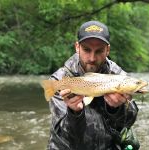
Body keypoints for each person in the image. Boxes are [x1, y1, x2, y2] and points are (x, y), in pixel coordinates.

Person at [47, 21, 140, 150]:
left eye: (99, 51)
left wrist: (116, 109)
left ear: (107, 50)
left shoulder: (118, 76)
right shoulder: (60, 80)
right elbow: (63, 133)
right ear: (77, 47)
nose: (92, 58)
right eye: (86, 50)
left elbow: (129, 122)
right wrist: (74, 112)